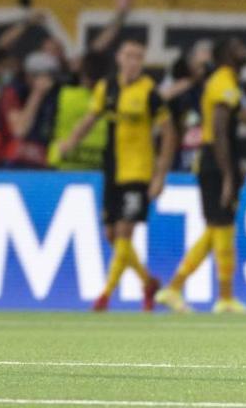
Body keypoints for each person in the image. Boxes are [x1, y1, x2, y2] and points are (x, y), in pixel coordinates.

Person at [61, 40, 177, 311]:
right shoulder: (107, 88)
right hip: (112, 169)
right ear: (119, 58)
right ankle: (148, 281)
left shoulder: (150, 92)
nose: (133, 61)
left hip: (139, 171)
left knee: (125, 232)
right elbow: (90, 119)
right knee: (112, 235)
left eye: (138, 56)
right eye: (129, 55)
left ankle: (104, 295)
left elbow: (170, 133)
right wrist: (71, 142)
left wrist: (160, 175)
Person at [156, 37, 246, 314]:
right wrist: (228, 174)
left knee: (218, 229)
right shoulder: (223, 82)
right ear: (226, 56)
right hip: (215, 160)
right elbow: (219, 132)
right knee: (221, 228)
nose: (245, 51)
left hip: (215, 159)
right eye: (238, 47)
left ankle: (182, 289)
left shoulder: (225, 80)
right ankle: (218, 296)